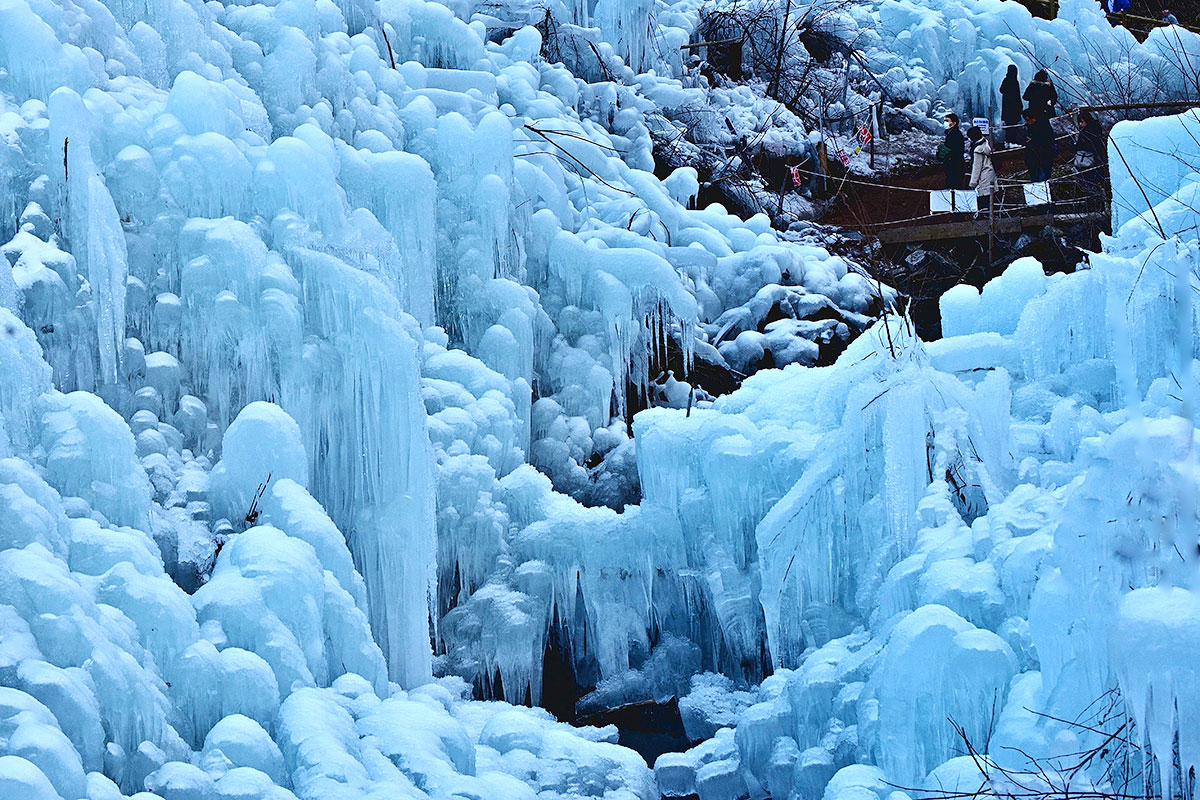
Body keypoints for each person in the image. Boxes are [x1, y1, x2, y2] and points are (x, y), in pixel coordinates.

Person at [967, 126, 997, 215]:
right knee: (989, 199)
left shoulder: (977, 150)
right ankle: (989, 216)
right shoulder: (985, 143)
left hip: (983, 177)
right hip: (989, 174)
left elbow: (977, 167)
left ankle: (985, 218)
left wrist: (973, 183)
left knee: (983, 200)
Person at [1024, 107, 1056, 183]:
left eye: (1028, 120)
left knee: (1042, 179)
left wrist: (1033, 140)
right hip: (1035, 158)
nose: (1027, 122)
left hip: (1043, 157)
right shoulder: (1032, 127)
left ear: (1034, 118)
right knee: (1037, 178)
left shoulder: (1043, 126)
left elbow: (1047, 140)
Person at [999, 65, 1024, 147]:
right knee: (1013, 126)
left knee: (1008, 125)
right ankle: (1013, 142)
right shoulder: (1014, 81)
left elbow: (1001, 90)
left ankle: (1008, 141)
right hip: (1014, 108)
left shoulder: (1006, 80)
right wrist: (1020, 107)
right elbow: (1017, 95)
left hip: (1006, 108)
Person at [940, 113, 966, 189]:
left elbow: (956, 151)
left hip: (955, 166)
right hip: (951, 165)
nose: (945, 123)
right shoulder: (950, 134)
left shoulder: (956, 135)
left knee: (954, 186)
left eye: (947, 121)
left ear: (954, 123)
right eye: (944, 121)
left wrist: (947, 154)